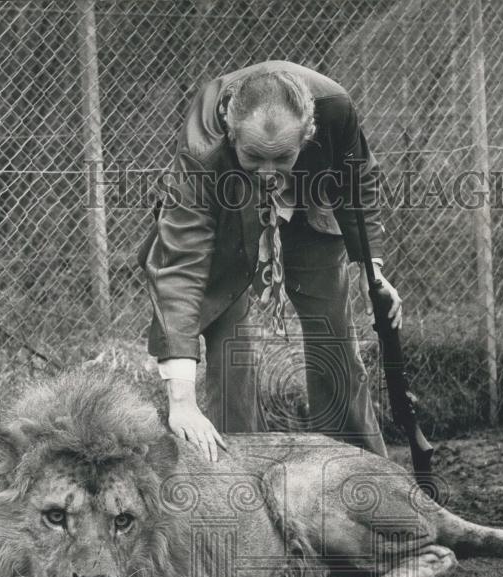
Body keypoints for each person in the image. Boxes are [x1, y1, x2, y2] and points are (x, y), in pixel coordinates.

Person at [138, 60, 402, 462]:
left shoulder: (335, 109)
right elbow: (181, 263)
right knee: (231, 349)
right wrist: (182, 401)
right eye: (254, 156)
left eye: (281, 157)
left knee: (336, 346)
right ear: (230, 130)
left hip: (310, 209)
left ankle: (363, 474)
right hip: (230, 218)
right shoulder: (202, 145)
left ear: (308, 134)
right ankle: (239, 477)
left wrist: (373, 272)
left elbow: (357, 185)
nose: (267, 172)